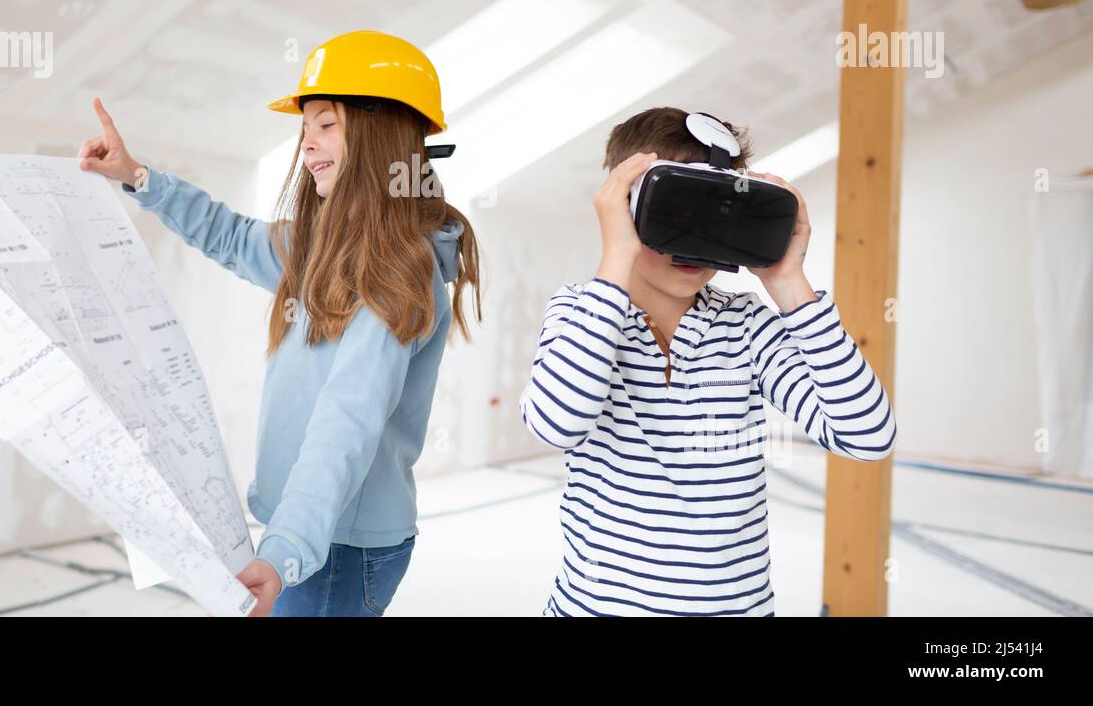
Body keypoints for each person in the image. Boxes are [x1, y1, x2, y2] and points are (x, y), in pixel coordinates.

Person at [78, 30, 481, 616]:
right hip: (311, 532)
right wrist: (138, 177)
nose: (308, 147)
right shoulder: (322, 244)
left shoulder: (397, 271)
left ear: (379, 134)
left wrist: (286, 548)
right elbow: (231, 236)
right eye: (304, 130)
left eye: (325, 125)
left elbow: (347, 420)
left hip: (338, 546)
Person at [518, 106, 895, 616]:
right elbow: (555, 424)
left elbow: (867, 436)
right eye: (673, 211)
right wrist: (615, 259)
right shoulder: (581, 309)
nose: (694, 242)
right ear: (622, 205)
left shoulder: (748, 326)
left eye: (715, 213)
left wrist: (787, 283)